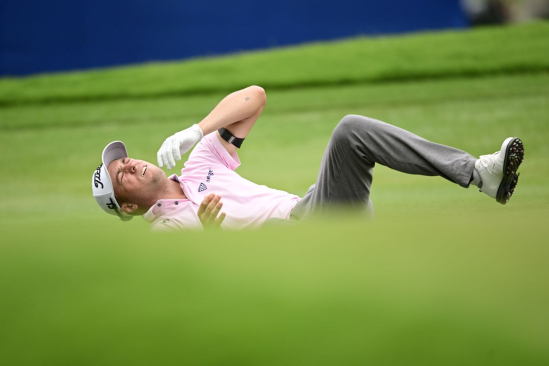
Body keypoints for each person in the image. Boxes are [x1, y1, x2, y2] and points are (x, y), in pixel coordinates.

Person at [91, 86, 524, 231]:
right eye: (120, 176)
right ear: (128, 207)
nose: (129, 165)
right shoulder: (166, 232)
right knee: (350, 131)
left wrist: (195, 131)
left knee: (352, 134)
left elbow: (254, 98)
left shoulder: (200, 164)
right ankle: (480, 175)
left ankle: (480, 174)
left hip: (314, 209)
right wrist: (210, 237)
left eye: (124, 160)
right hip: (299, 240)